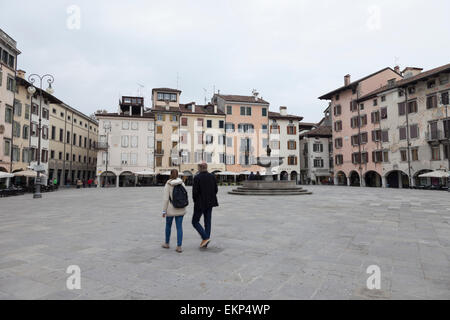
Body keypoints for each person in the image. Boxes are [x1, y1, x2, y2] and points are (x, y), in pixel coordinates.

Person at [192, 162, 218, 248]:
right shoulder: (212, 176)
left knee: (195, 221)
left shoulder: (197, 177)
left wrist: (195, 201)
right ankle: (205, 242)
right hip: (210, 202)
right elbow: (216, 189)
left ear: (200, 168)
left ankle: (205, 237)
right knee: (207, 222)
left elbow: (195, 192)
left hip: (200, 203)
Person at [162, 169, 187, 253]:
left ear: (170, 175)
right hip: (181, 208)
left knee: (168, 226)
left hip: (170, 209)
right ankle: (179, 246)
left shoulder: (168, 184)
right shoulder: (182, 183)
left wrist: (163, 211)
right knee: (179, 227)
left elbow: (166, 199)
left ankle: (167, 243)